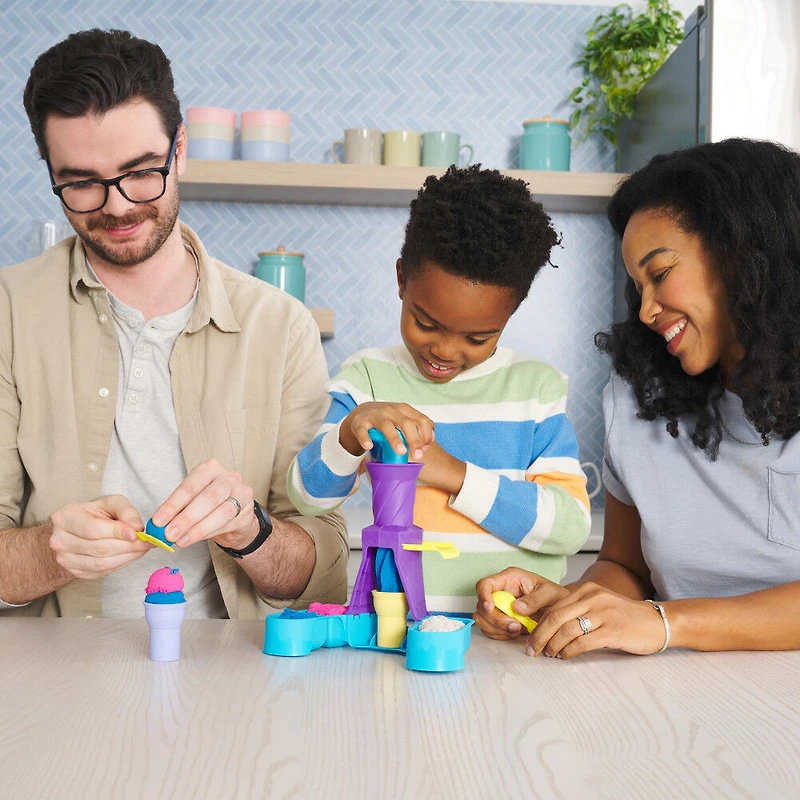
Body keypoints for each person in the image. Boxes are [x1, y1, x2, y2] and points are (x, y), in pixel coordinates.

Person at [0, 29, 347, 618]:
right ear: (50, 171)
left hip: (227, 685)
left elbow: (322, 577)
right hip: (47, 683)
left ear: (179, 148)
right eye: (81, 182)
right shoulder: (8, 312)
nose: (115, 205)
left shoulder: (280, 328)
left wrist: (252, 532)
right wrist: (53, 552)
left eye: (140, 172)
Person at [474, 138, 800, 656]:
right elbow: (625, 567)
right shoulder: (638, 399)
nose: (647, 310)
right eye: (637, 286)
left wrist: (667, 624)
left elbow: (657, 619)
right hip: (672, 701)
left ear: (742, 255)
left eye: (661, 273)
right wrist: (576, 605)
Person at [287, 165, 591, 614]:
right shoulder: (369, 379)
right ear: (400, 280)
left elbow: (570, 527)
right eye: (426, 323)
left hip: (512, 643)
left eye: (478, 338)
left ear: (511, 313)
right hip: (400, 635)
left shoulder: (535, 391)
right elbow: (308, 498)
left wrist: (451, 473)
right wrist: (350, 433)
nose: (445, 351)